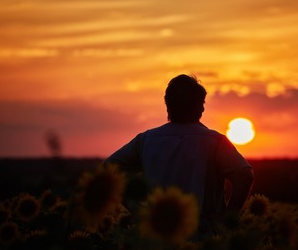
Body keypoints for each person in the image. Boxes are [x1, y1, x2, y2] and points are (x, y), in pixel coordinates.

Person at [104, 74, 253, 233]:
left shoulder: (146, 140)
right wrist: (226, 220)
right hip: (202, 235)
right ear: (200, 107)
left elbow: (107, 172)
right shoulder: (215, 142)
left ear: (167, 105)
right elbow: (244, 175)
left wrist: (137, 209)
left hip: (157, 235)